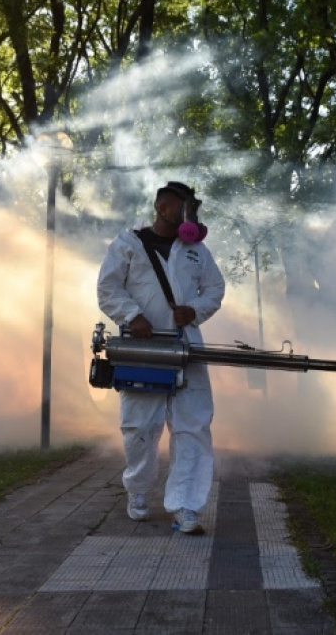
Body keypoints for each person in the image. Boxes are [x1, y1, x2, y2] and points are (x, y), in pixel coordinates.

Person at [97, 181, 225, 534]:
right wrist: (131, 315)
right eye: (186, 209)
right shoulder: (128, 245)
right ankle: (138, 490)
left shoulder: (197, 251)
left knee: (193, 426)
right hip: (144, 348)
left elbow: (215, 289)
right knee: (140, 426)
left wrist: (194, 310)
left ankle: (186, 506)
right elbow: (108, 288)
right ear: (164, 208)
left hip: (186, 347)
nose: (192, 217)